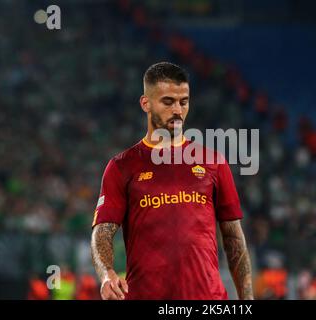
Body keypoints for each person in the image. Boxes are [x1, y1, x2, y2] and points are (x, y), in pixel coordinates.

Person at [91, 62, 253, 300]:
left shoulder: (213, 162)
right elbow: (102, 232)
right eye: (168, 102)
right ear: (146, 103)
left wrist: (247, 299)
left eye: (183, 102)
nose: (178, 110)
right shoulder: (121, 166)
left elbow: (233, 238)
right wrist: (106, 274)